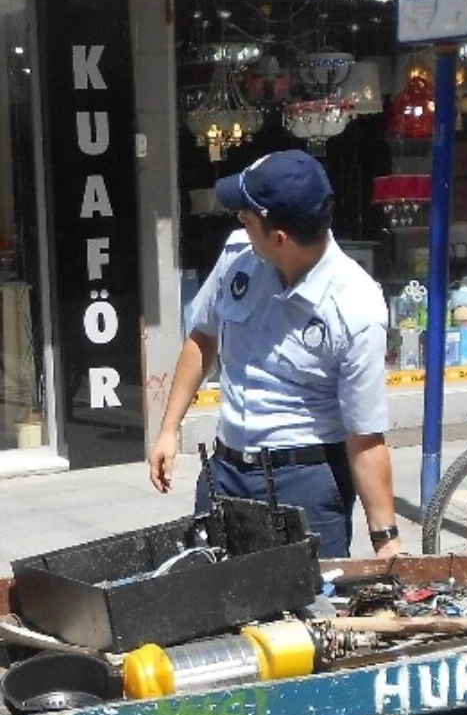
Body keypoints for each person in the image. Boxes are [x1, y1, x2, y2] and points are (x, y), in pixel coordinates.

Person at [149, 150, 402, 561]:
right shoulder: (239, 258)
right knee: (212, 609)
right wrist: (168, 429)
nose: (239, 223)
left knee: (307, 616)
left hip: (306, 485)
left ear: (279, 237)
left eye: (248, 219)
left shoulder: (356, 309)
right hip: (226, 473)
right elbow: (202, 337)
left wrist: (386, 539)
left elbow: (366, 436)